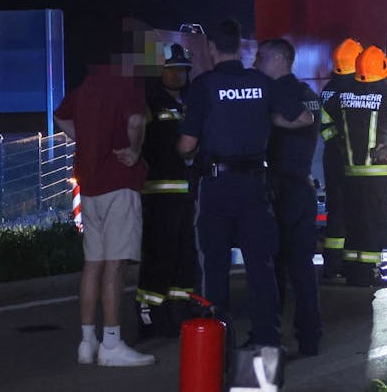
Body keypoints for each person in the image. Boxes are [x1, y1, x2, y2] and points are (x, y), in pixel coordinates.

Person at [176, 19, 312, 350]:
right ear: (239, 47)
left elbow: (187, 145)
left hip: (217, 187)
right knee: (260, 266)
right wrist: (265, 119)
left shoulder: (204, 86)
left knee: (216, 266)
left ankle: (217, 345)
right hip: (255, 185)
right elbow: (303, 118)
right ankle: (267, 340)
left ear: (211, 48)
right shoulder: (261, 82)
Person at [52, 24, 156, 367]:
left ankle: (87, 343)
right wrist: (134, 150)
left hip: (90, 186)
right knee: (116, 265)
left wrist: (86, 141)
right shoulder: (127, 84)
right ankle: (112, 344)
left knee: (92, 265)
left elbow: (61, 117)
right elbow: (137, 121)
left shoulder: (87, 86)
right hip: (118, 184)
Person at [255, 37, 322, 358]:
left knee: (275, 269)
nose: (256, 64)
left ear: (279, 59)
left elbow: (301, 120)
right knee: (302, 269)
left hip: (282, 190)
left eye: (261, 58)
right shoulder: (308, 93)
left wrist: (266, 120)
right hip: (301, 188)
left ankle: (269, 340)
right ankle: (310, 339)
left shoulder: (280, 92)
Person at [327, 44, 387, 287]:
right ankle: (370, 272)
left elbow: (324, 119)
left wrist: (338, 142)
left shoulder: (343, 97)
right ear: (382, 69)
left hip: (350, 173)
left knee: (354, 222)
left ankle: (353, 271)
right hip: (379, 174)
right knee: (374, 224)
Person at [134, 42, 198, 340]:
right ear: (161, 70)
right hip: (159, 192)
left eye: (182, 70)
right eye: (173, 70)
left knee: (184, 255)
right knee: (159, 255)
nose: (178, 76)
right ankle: (149, 316)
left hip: (187, 192)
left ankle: (180, 314)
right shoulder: (150, 102)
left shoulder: (191, 100)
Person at [317, 38, 361, 280]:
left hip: (331, 158)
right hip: (351, 159)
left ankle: (332, 264)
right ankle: (353, 263)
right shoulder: (352, 89)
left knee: (336, 211)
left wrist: (336, 143)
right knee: (355, 211)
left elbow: (324, 126)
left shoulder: (328, 88)